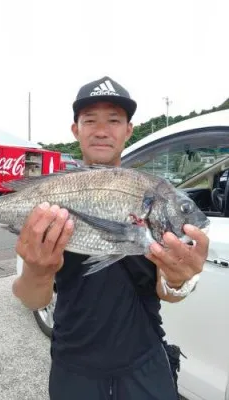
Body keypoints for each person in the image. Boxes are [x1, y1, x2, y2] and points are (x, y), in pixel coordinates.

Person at [12, 76, 209, 400]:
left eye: (114, 120)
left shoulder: (151, 192)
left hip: (145, 361)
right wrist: (38, 270)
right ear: (76, 129)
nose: (102, 130)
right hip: (72, 366)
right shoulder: (52, 196)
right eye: (90, 120)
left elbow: (169, 293)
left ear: (129, 129)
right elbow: (32, 299)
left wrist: (180, 279)